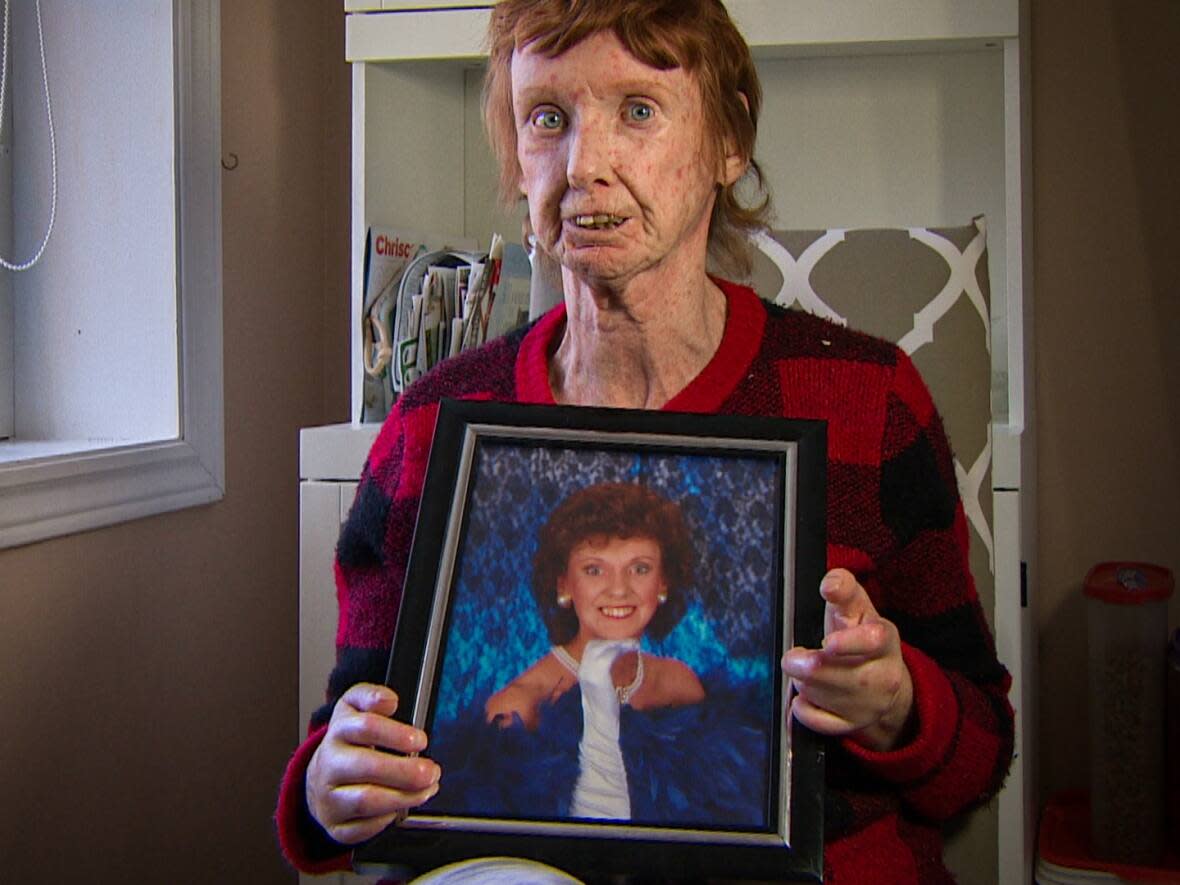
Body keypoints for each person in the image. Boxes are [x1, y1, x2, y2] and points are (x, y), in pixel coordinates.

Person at [275, 0, 1015, 881]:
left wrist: (895, 702)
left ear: (727, 143)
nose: (586, 165)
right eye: (547, 118)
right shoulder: (430, 425)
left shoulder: (868, 398)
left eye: (638, 110)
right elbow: (350, 736)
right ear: (515, 158)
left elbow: (979, 758)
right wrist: (333, 785)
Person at [423, 481, 768, 826]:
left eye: (640, 568)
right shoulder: (515, 709)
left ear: (662, 583)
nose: (618, 589)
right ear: (564, 586)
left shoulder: (679, 684)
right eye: (594, 569)